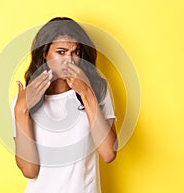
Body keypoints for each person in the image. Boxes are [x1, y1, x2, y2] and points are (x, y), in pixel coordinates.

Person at [11, 17, 118, 193]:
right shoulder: (22, 102)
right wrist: (21, 111)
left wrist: (86, 93)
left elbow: (108, 154)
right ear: (44, 54)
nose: (70, 59)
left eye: (75, 52)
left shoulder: (97, 91)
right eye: (61, 52)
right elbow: (29, 170)